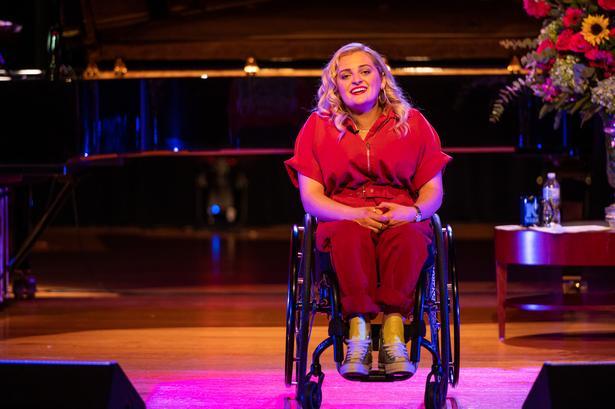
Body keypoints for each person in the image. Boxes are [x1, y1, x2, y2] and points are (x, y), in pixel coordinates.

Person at [284, 42, 451, 378]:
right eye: (345, 75)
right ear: (335, 86)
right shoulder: (317, 127)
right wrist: (351, 214)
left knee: (409, 236)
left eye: (364, 71)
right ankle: (357, 331)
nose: (356, 79)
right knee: (348, 235)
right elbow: (311, 198)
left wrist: (414, 212)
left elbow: (434, 190)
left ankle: (393, 331)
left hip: (400, 212)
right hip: (341, 213)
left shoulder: (413, 123)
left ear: (381, 77)